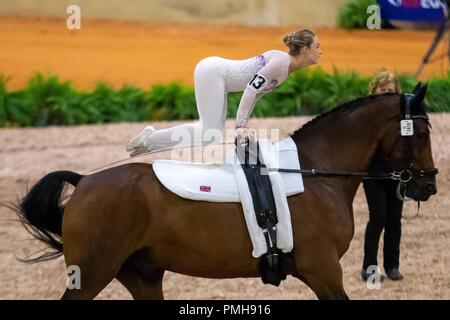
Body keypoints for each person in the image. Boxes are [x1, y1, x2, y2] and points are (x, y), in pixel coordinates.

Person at [126, 29, 322, 156]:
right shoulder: (281, 63)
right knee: (209, 133)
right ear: (305, 50)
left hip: (217, 76)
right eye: (317, 47)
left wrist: (243, 125)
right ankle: (149, 140)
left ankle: (148, 142)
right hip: (213, 73)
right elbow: (250, 90)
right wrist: (240, 126)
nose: (320, 52)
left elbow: (256, 94)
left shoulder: (285, 68)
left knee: (210, 134)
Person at [361, 71, 404, 282]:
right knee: (378, 219)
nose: (387, 93)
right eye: (383, 90)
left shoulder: (401, 115)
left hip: (397, 175)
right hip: (373, 174)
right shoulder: (367, 114)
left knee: (394, 221)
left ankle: (392, 266)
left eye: (391, 91)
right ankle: (369, 268)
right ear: (374, 90)